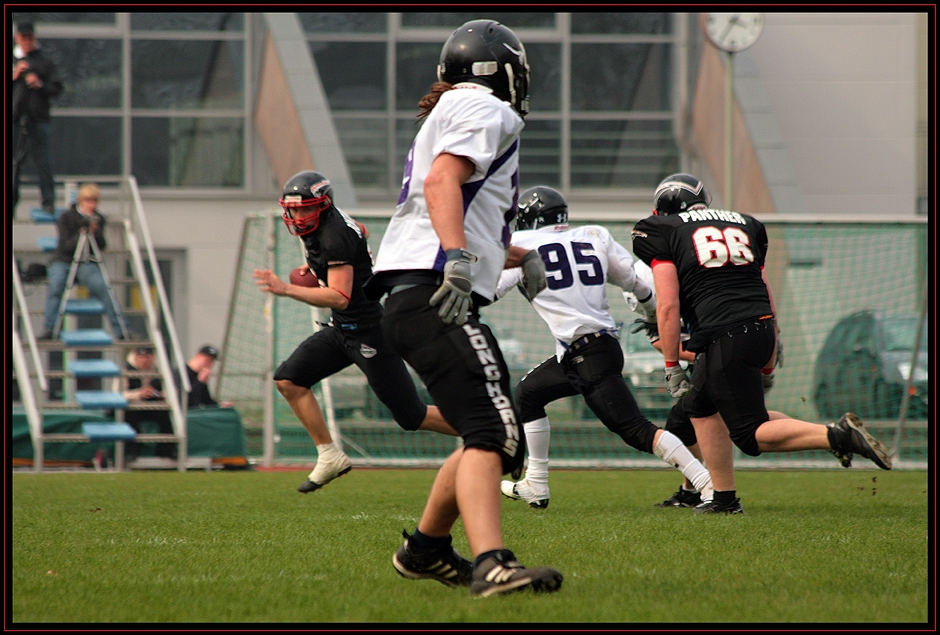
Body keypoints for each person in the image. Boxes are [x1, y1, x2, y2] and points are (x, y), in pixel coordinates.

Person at [363, 20, 563, 598]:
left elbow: (459, 204)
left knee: (485, 430)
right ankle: (492, 564)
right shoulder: (485, 108)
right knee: (498, 432)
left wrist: (513, 254)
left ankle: (425, 549)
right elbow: (443, 184)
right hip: (434, 290)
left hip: (410, 294)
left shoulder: (450, 108)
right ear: (497, 71)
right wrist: (457, 258)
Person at [630, 173, 892, 515]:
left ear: (661, 210)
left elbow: (668, 305)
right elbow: (764, 286)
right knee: (702, 408)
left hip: (724, 331)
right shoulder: (746, 223)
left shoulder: (661, 230)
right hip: (758, 326)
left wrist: (669, 365)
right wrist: (775, 338)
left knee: (751, 435)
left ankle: (837, 435)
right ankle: (723, 498)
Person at [495, 186, 714, 510]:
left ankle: (707, 484)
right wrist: (656, 315)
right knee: (529, 392)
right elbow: (637, 285)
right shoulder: (593, 235)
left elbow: (490, 290)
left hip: (588, 354)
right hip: (589, 349)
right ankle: (536, 485)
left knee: (635, 430)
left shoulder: (524, 246)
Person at [253, 170, 460, 495]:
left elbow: (339, 296)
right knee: (289, 380)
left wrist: (285, 289)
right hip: (342, 329)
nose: (298, 216)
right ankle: (329, 455)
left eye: (306, 208)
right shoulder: (329, 226)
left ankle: (492, 432)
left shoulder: (334, 235)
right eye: (294, 209)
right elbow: (359, 231)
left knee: (411, 415)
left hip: (370, 332)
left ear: (324, 205)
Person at [39, 183, 129, 341]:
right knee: (56, 287)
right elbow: (65, 246)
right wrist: (81, 232)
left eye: (94, 202)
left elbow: (101, 246)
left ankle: (121, 330)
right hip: (64, 261)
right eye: (88, 201)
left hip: (86, 262)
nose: (91, 205)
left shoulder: (98, 218)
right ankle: (50, 328)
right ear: (81, 201)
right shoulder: (66, 217)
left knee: (104, 288)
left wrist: (94, 232)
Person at [12, 20, 63, 218]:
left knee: (43, 161)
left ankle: (48, 202)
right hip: (15, 119)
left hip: (38, 119)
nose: (27, 41)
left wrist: (39, 84)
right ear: (17, 38)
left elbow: (57, 88)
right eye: (23, 38)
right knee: (13, 164)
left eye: (30, 38)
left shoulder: (44, 62)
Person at [122, 347, 174, 460]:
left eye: (147, 357)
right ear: (135, 357)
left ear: (153, 357)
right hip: (130, 407)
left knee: (165, 413)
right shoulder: (125, 370)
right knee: (129, 413)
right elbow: (118, 394)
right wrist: (138, 394)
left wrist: (159, 394)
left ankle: (167, 450)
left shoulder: (158, 370)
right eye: (141, 357)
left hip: (148, 406)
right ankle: (132, 450)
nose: (144, 360)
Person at [178, 345, 234, 410]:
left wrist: (220, 405)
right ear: (198, 355)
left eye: (212, 362)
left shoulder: (200, 376)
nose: (209, 364)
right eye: (207, 360)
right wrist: (200, 381)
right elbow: (184, 399)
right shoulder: (181, 372)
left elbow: (206, 401)